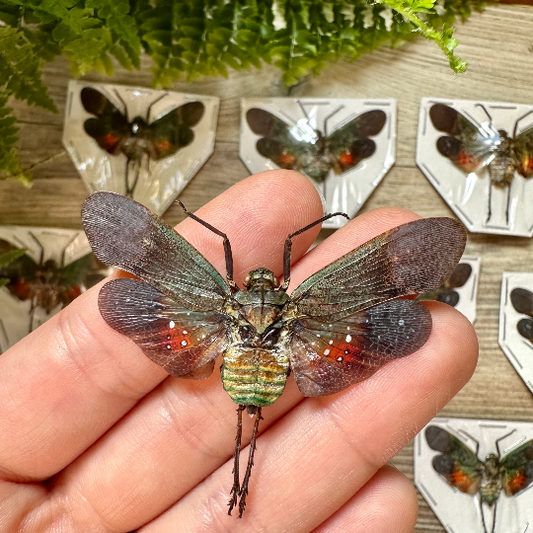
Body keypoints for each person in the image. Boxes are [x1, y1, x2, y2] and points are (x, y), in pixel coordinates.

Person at [0, 170, 478, 532]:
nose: (262, 279)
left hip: (225, 348)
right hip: (288, 357)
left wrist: (187, 221)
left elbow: (227, 241)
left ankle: (240, 486)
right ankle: (241, 485)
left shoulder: (225, 295)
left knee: (242, 429)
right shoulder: (297, 297)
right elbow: (275, 242)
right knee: (245, 432)